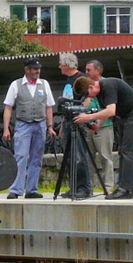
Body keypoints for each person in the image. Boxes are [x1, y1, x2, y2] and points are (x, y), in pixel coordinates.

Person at [73, 74, 133, 199]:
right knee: (123, 151)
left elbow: (111, 110)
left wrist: (88, 117)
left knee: (128, 151)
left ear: (90, 87)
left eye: (87, 94)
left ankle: (125, 189)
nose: (88, 98)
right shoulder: (100, 93)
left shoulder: (108, 86)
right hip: (124, 115)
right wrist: (98, 125)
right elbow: (106, 112)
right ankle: (123, 186)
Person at [2, 58, 56, 199]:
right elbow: (8, 107)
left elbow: (49, 107)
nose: (38, 71)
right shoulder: (16, 84)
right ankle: (16, 189)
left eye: (38, 69)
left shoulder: (44, 84)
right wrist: (6, 128)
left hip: (40, 123)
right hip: (23, 123)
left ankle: (32, 189)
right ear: (27, 69)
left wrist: (50, 126)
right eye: (35, 69)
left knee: (37, 157)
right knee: (21, 156)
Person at [57, 52, 91, 198]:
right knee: (69, 157)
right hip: (68, 121)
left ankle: (84, 187)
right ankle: (74, 187)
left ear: (66, 64)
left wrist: (83, 114)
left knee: (79, 156)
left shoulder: (81, 78)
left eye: (61, 64)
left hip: (78, 120)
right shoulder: (68, 80)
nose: (59, 67)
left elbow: (87, 98)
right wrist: (62, 125)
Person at [81, 59, 115, 193]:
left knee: (105, 156)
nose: (86, 72)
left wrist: (99, 122)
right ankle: (88, 187)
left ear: (98, 70)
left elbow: (110, 108)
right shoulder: (85, 85)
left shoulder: (107, 85)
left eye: (89, 70)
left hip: (104, 126)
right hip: (88, 126)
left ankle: (108, 187)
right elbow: (83, 105)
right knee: (88, 158)